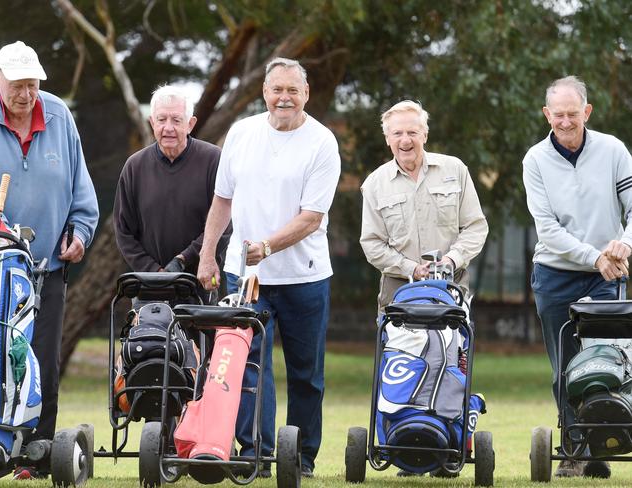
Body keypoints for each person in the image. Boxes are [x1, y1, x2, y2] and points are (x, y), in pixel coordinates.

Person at [197, 57, 341, 478]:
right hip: (246, 278)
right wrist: (209, 254)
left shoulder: (322, 142)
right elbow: (222, 200)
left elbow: (312, 216)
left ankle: (302, 457)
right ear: (264, 93)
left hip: (305, 276)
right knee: (248, 366)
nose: (285, 98)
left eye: (293, 90)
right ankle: (255, 452)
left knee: (306, 374)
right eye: (277, 89)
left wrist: (267, 245)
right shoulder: (241, 133)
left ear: (306, 94)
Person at [0, 41, 99, 480]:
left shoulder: (58, 115)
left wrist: (81, 231)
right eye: (17, 85)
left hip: (47, 268)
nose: (26, 95)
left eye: (33, 85)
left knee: (41, 361)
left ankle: (35, 454)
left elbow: (80, 187)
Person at [523, 75, 632, 479]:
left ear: (586, 112)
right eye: (558, 115)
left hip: (607, 275)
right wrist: (595, 257)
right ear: (546, 114)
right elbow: (547, 229)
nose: (565, 122)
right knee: (565, 367)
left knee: (606, 361)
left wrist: (625, 245)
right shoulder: (535, 159)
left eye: (573, 114)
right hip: (555, 275)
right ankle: (574, 450)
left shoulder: (613, 150)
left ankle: (602, 443)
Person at [360, 100, 488, 312]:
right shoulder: (374, 184)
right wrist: (411, 268)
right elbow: (372, 243)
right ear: (387, 139)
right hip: (398, 288)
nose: (405, 140)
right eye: (397, 133)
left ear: (425, 135)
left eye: (412, 132)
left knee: (450, 345)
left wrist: (451, 260)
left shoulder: (455, 170)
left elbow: (476, 227)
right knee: (399, 346)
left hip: (451, 285)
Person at [113, 84, 231, 304]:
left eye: (176, 120)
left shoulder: (214, 160)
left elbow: (225, 223)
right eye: (161, 119)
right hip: (149, 287)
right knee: (148, 339)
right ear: (151, 122)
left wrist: (183, 259)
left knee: (202, 340)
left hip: (200, 283)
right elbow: (124, 231)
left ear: (190, 124)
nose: (168, 127)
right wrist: (155, 273)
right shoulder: (134, 166)